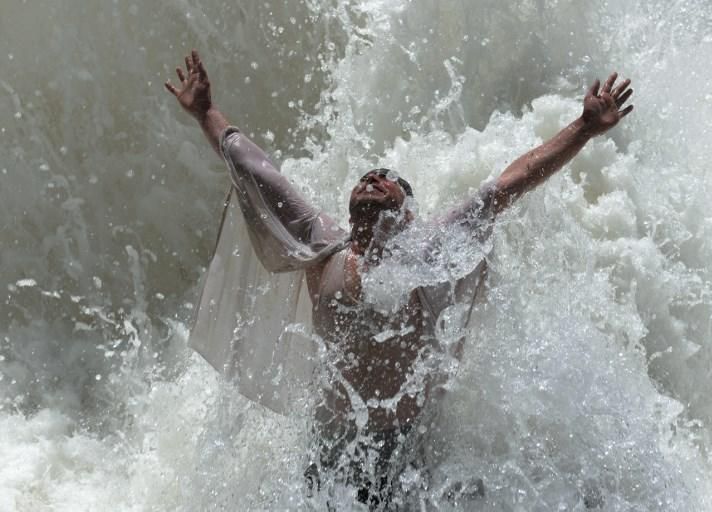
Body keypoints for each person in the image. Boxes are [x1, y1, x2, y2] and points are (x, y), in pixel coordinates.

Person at [165, 50, 633, 508]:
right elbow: (256, 170)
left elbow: (510, 184)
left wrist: (584, 129)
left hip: (405, 447)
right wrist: (206, 112)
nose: (372, 180)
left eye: (386, 179)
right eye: (365, 177)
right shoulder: (323, 246)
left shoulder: (431, 253)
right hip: (332, 447)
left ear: (408, 213)